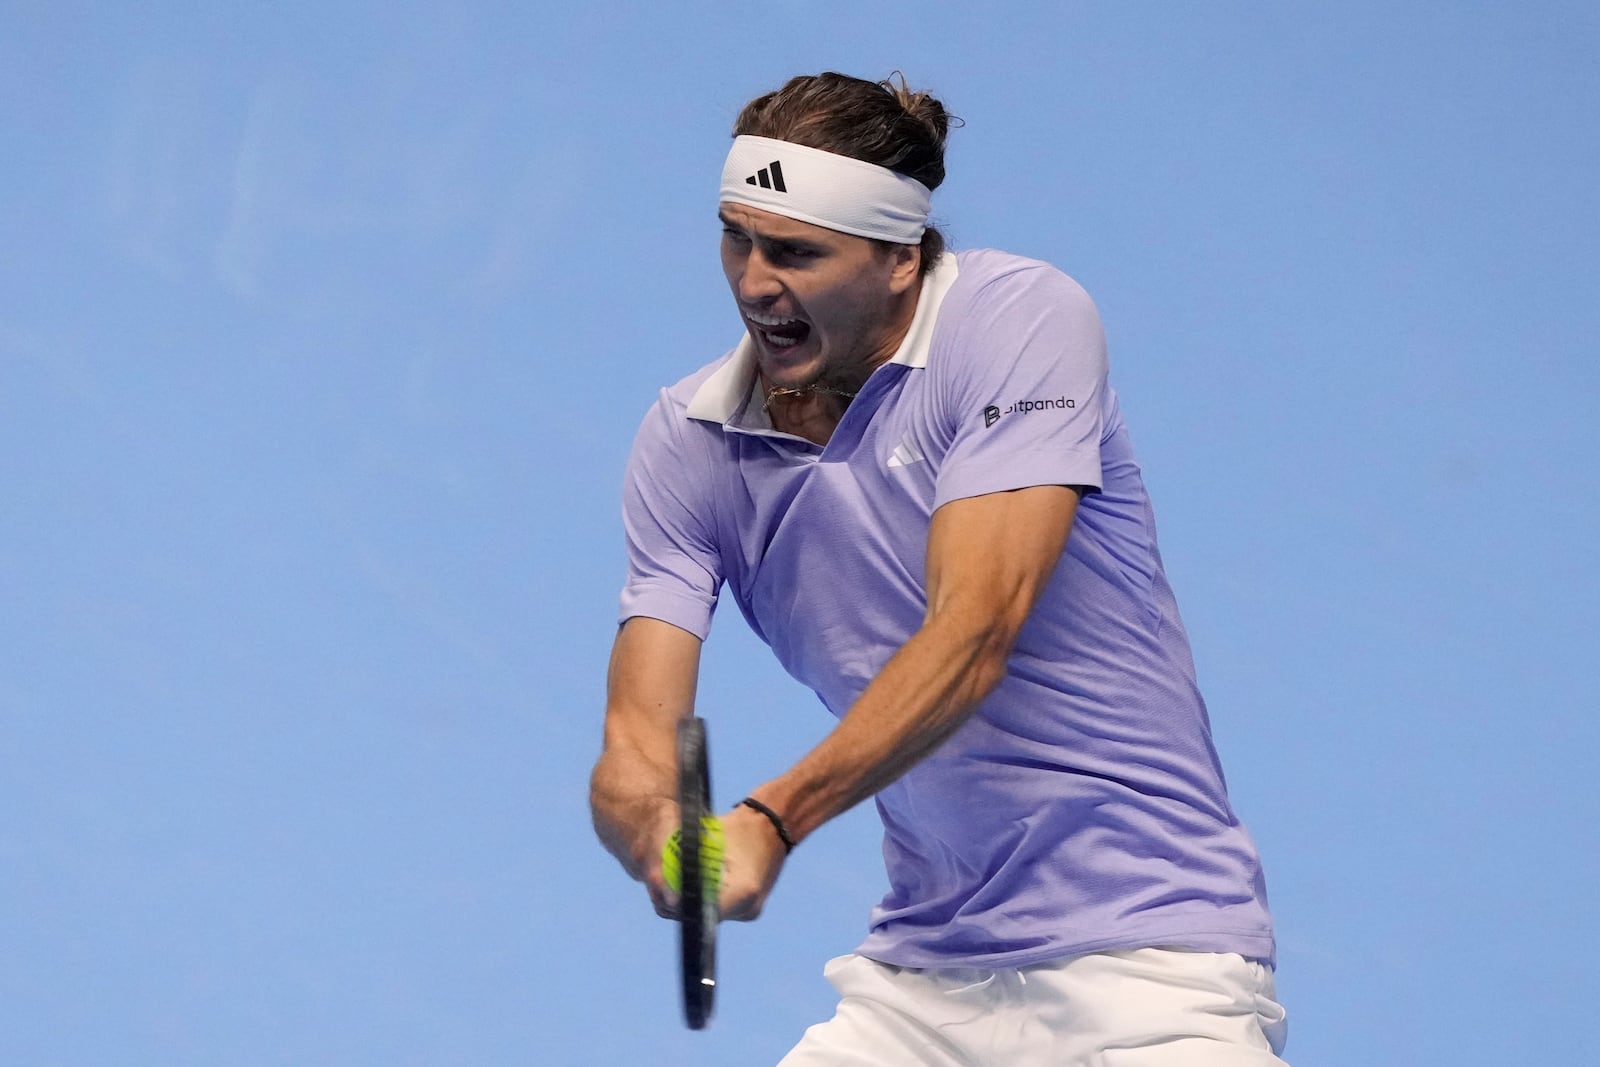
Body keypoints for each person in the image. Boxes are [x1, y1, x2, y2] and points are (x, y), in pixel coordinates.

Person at [590, 71, 1287, 1065]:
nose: (751, 281)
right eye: (734, 237)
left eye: (794, 251)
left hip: (1152, 963)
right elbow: (633, 742)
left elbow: (972, 634)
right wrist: (669, 836)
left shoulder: (1015, 322)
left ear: (900, 261)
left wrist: (770, 819)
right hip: (919, 986)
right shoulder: (687, 442)